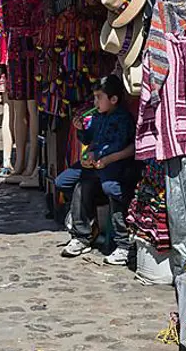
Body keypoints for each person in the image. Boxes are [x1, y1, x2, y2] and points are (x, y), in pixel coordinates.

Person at [56, 75, 136, 265]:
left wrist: (103, 159)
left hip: (114, 166)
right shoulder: (98, 117)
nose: (95, 102)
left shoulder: (122, 119)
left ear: (113, 99)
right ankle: (84, 229)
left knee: (108, 189)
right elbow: (89, 141)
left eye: (99, 97)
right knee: (63, 181)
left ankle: (123, 244)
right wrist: (81, 132)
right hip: (96, 165)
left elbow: (122, 147)